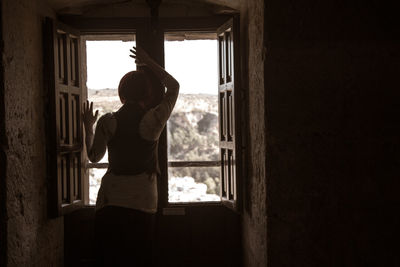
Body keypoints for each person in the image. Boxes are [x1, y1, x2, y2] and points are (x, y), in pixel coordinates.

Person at [82, 46, 179, 267]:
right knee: (140, 257)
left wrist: (88, 127)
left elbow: (94, 156)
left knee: (109, 258)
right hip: (143, 201)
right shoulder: (154, 120)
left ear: (121, 93)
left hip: (111, 199)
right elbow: (173, 87)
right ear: (148, 94)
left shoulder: (107, 121)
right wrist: (148, 61)